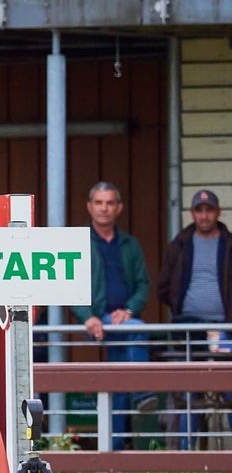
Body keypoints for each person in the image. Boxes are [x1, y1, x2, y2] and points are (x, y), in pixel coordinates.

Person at [68, 181, 152, 449]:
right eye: (99, 203)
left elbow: (144, 284)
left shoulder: (130, 244)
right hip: (96, 319)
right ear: (89, 207)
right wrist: (86, 317)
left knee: (117, 377)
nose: (104, 208)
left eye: (110, 203)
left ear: (119, 208)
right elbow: (69, 285)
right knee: (137, 333)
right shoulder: (79, 242)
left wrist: (128, 310)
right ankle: (142, 393)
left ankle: (113, 446)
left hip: (123, 318)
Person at [157, 189, 232, 446]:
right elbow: (163, 287)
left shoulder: (229, 243)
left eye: (209, 210)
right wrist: (181, 309)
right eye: (199, 210)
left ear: (218, 212)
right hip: (188, 328)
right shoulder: (180, 244)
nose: (204, 215)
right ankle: (188, 452)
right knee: (189, 390)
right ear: (193, 214)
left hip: (226, 328)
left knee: (229, 386)